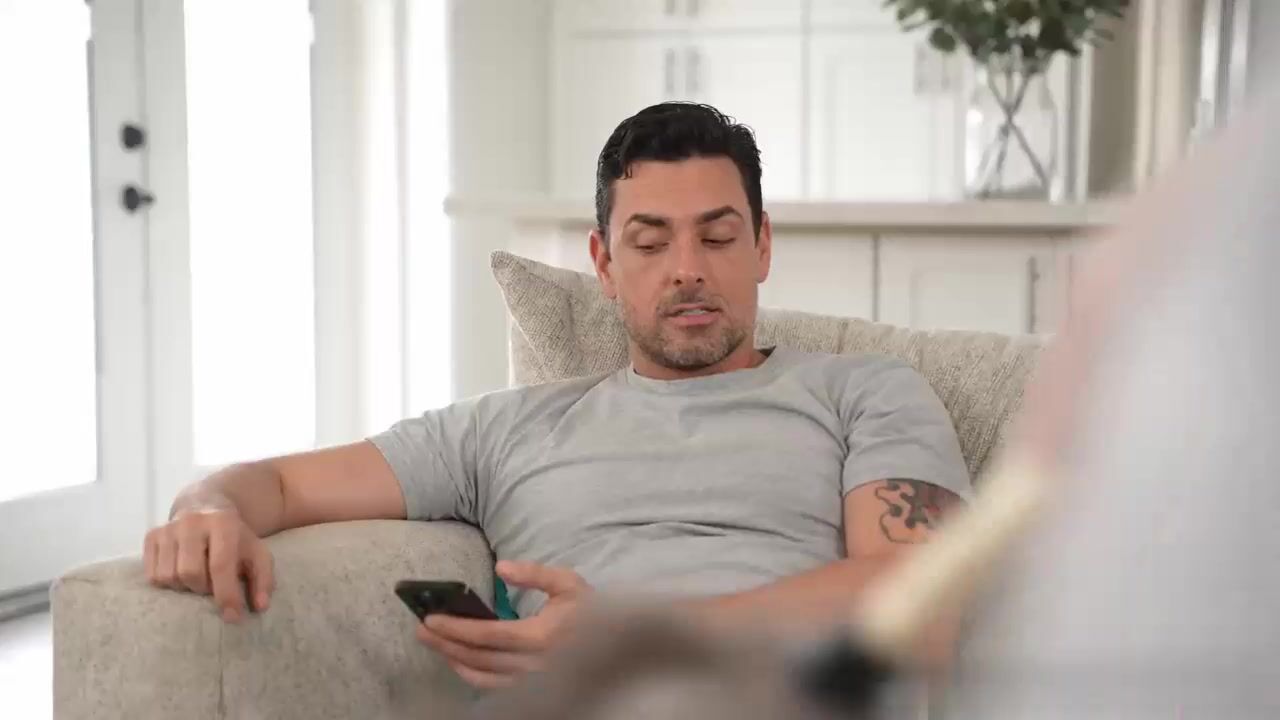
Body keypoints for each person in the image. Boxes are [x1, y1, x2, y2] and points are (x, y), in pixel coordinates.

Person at [142, 102, 971, 690]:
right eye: (650, 242)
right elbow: (279, 485)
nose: (688, 269)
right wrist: (208, 509)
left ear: (761, 246)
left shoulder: (866, 393)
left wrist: (635, 633)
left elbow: (923, 605)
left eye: (718, 236)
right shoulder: (505, 429)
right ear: (604, 264)